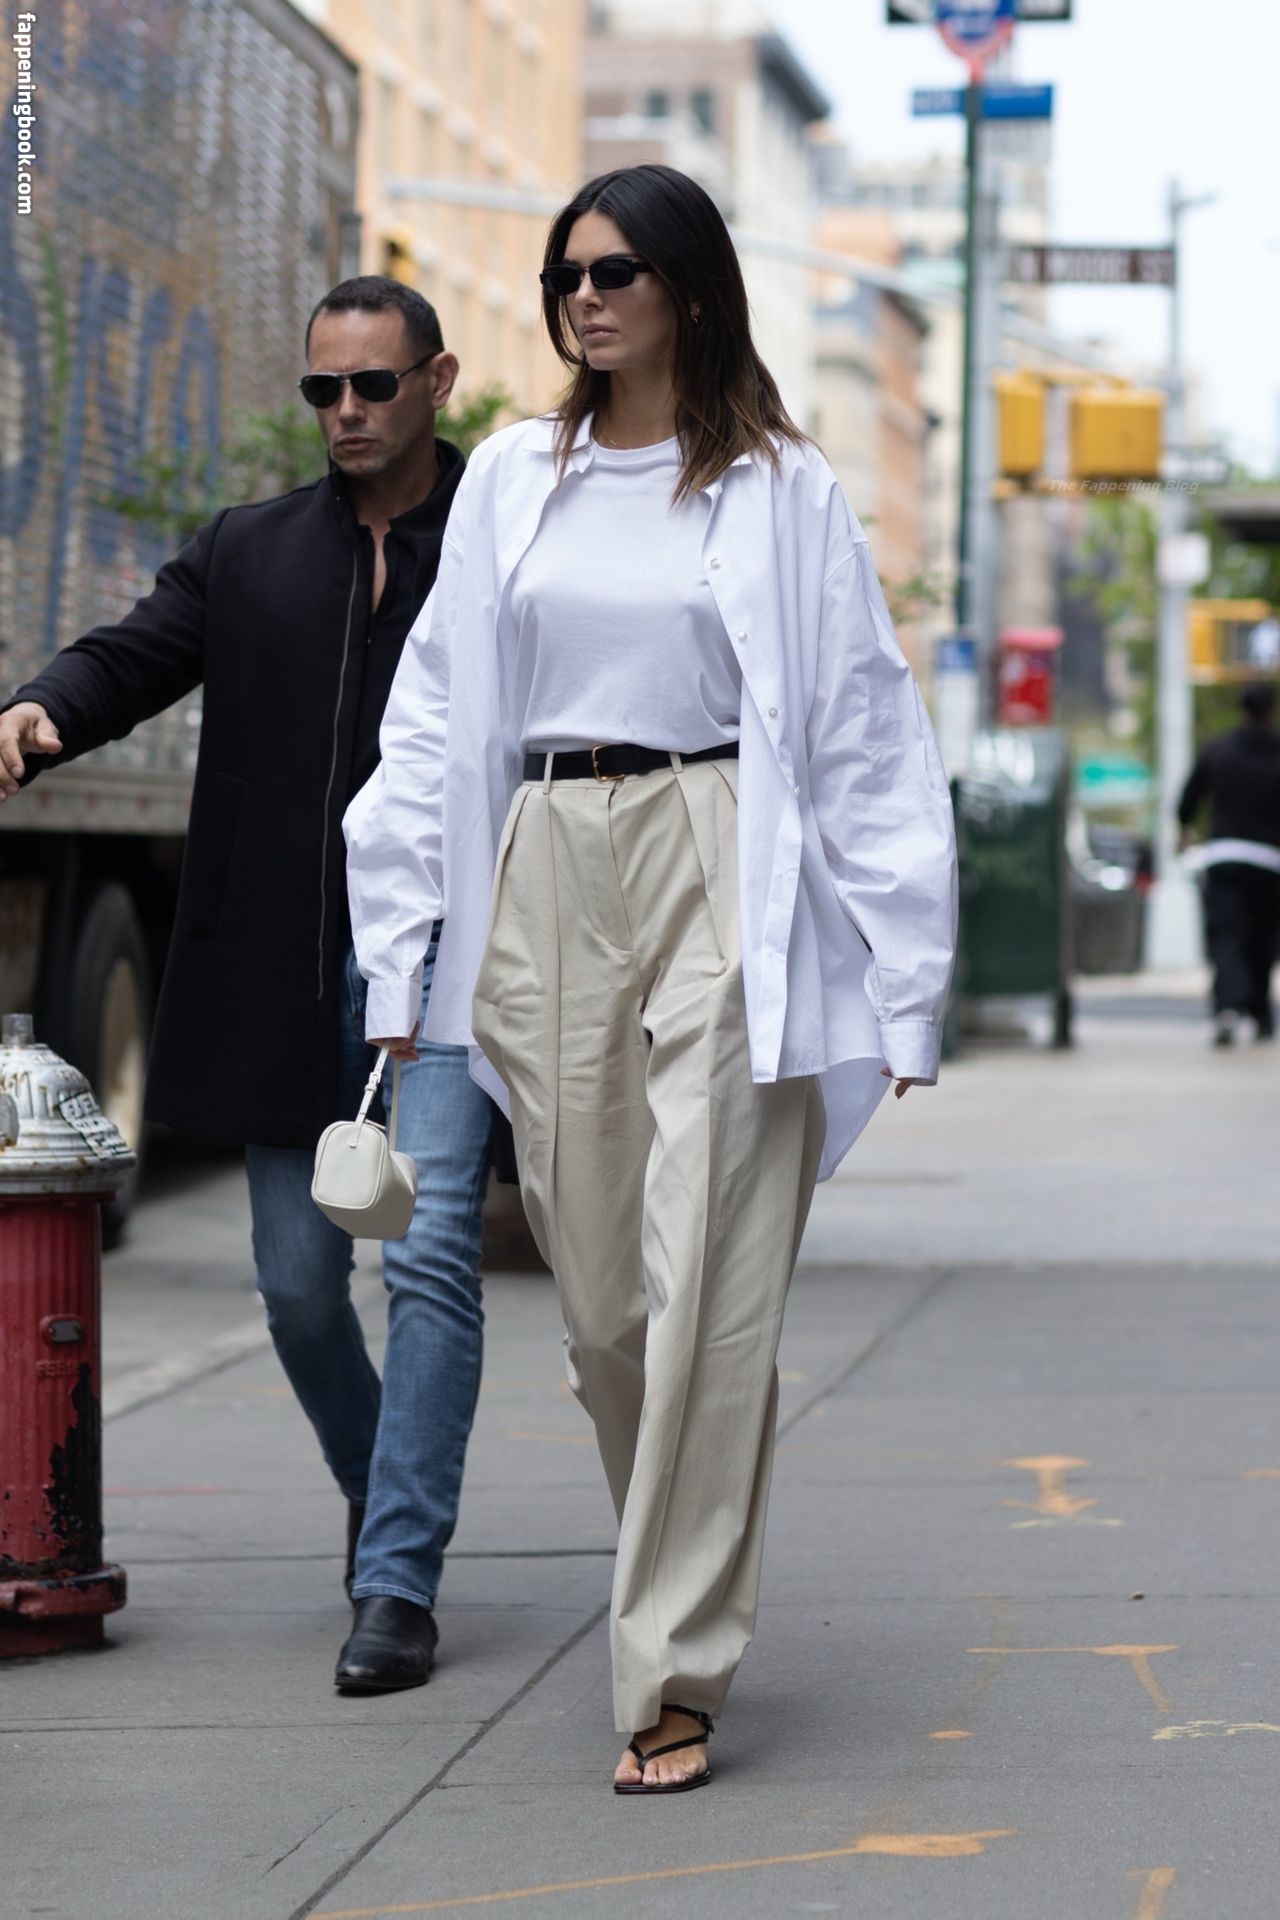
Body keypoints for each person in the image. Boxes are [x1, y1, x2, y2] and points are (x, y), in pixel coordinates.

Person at [344, 165, 958, 1791]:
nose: (585, 298)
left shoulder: (780, 486)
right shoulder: (515, 476)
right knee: (609, 1300)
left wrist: (906, 973)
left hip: (721, 849)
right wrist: (398, 952)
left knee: (714, 1287)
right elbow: (433, 715)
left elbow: (863, 725)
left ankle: (672, 1667)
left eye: (614, 271)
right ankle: (674, 1550)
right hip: (548, 857)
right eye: (569, 275)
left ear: (687, 286)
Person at [0, 277, 494, 1694]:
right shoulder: (251, 549)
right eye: (322, 389)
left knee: (430, 1255)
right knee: (294, 1282)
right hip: (282, 963)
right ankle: (378, 1482)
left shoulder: (506, 539)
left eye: (374, 385)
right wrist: (41, 706)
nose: (346, 412)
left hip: (452, 955)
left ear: (437, 381)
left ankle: (396, 1581)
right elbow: (134, 652)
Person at [1178, 680, 1280, 1045]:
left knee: (1226, 935)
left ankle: (1227, 1007)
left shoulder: (1218, 748)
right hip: (1270, 862)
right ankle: (1261, 1014)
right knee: (1263, 938)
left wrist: (1184, 829)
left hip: (1224, 857)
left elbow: (1189, 797)